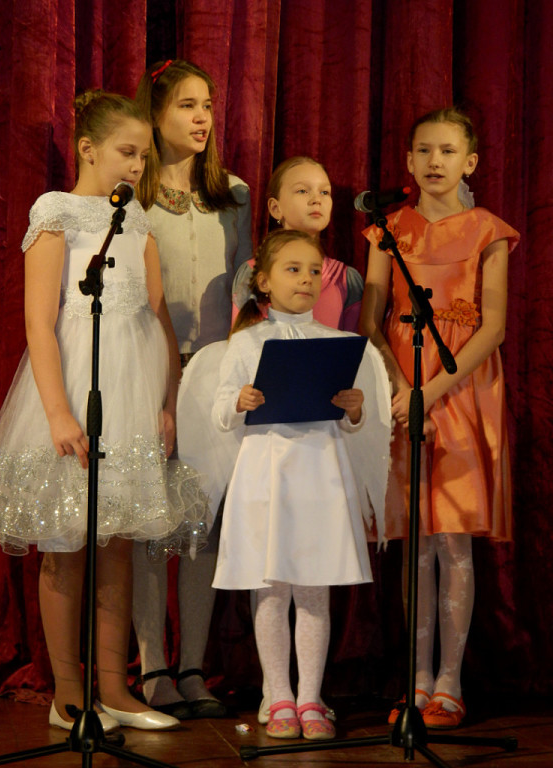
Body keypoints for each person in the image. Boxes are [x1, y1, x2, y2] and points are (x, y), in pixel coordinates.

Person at [0, 91, 188, 731]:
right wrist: (59, 413)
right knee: (67, 542)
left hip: (133, 392)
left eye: (144, 155)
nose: (137, 165)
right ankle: (67, 695)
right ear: (88, 148)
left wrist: (168, 400)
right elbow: (40, 324)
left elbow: (158, 316)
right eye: (127, 152)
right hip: (75, 387)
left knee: (117, 542)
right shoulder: (56, 212)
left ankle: (115, 690)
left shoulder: (139, 218)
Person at [360, 107, 520, 728]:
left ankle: (450, 680)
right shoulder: (388, 229)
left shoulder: (488, 231)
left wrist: (432, 391)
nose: (435, 162)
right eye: (424, 150)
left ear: (469, 162)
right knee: (415, 540)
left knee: (452, 537)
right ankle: (417, 677)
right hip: (404, 387)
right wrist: (404, 389)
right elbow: (372, 319)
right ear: (408, 160)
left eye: (448, 151)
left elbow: (493, 326)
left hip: (460, 388)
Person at [209, 228, 389, 740]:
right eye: (293, 270)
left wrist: (354, 409)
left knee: (313, 588)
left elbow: (355, 423)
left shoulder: (337, 344)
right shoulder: (246, 343)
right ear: (264, 281)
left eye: (314, 271)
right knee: (271, 588)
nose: (306, 280)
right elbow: (218, 411)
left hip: (319, 474)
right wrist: (239, 401)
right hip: (266, 476)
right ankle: (279, 694)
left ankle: (311, 697)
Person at [131, 59, 253, 719]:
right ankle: (153, 667)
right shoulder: (135, 194)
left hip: (213, 378)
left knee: (202, 527)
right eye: (186, 105)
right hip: (151, 371)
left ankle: (194, 666)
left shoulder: (232, 194)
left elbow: (245, 286)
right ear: (155, 116)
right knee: (152, 523)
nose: (202, 117)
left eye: (207, 104)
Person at [232, 156, 364, 331]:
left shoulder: (345, 279)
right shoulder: (253, 272)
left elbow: (351, 344)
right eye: (302, 191)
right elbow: (243, 341)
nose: (316, 199)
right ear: (275, 208)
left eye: (324, 192)